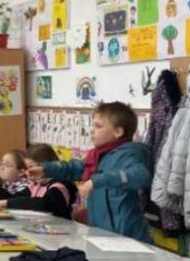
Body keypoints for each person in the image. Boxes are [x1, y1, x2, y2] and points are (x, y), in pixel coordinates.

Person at [28, 101, 151, 241]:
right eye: (92, 125)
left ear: (117, 132)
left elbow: (141, 175)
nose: (91, 130)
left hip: (127, 237)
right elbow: (75, 168)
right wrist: (45, 169)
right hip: (102, 234)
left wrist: (96, 181)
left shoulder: (131, 153)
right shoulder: (98, 156)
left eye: (98, 126)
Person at [0, 144, 78, 218]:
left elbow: (44, 203)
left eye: (31, 167)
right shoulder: (35, 185)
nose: (27, 172)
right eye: (27, 168)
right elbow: (13, 198)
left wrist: (6, 203)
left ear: (46, 166)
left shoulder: (61, 185)